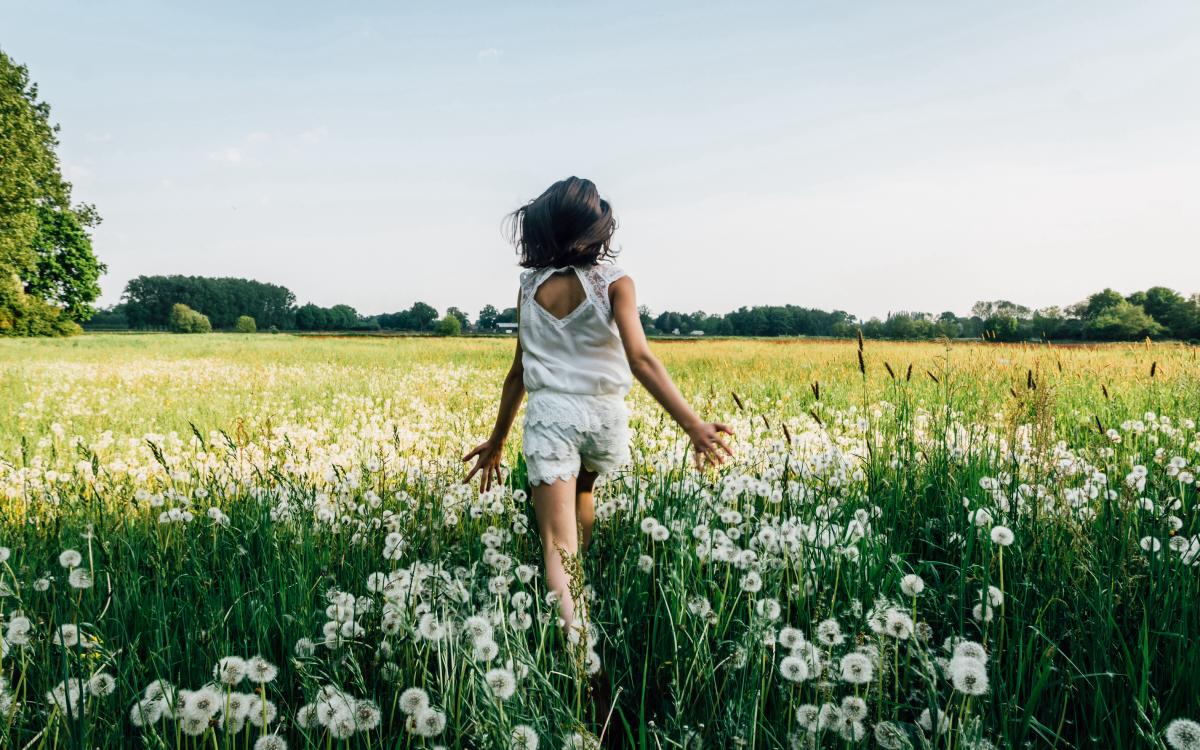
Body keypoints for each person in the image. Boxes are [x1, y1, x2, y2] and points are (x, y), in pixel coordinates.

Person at [463, 176, 733, 630]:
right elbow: (641, 358)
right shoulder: (616, 282)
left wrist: (497, 439)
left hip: (552, 418)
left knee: (556, 544)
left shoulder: (529, 287)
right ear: (596, 229)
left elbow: (519, 373)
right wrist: (692, 425)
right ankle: (580, 590)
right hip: (603, 417)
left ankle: (578, 654)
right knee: (584, 491)